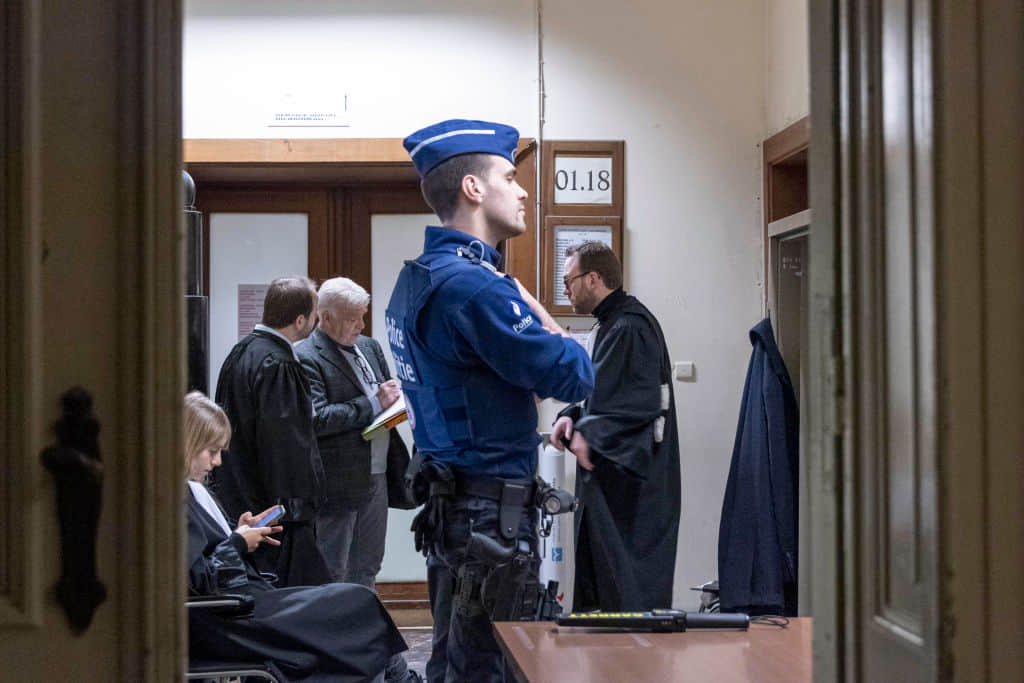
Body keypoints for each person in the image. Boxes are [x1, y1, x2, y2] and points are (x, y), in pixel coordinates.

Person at [386, 118, 594, 683]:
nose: (522, 191)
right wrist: (536, 308)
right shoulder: (477, 286)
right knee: (491, 668)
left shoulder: (418, 278)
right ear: (473, 188)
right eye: (509, 177)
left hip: (454, 507)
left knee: (455, 660)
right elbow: (575, 375)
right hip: (489, 517)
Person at [184, 391, 408, 683]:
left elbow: (211, 550)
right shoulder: (172, 504)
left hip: (242, 606)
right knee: (357, 606)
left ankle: (400, 677)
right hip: (231, 619)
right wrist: (238, 542)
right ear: (188, 444)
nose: (216, 462)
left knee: (358, 604)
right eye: (211, 451)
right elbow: (199, 577)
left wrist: (237, 530)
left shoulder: (192, 492)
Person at [295, 277, 421, 683]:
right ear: (325, 318)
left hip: (377, 474)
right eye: (352, 319)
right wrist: (372, 403)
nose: (361, 326)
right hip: (338, 484)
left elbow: (384, 397)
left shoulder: (369, 347)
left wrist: (397, 401)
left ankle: (371, 664)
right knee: (333, 575)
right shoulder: (306, 356)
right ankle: (335, 664)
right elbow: (317, 419)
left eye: (363, 316)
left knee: (367, 569)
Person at [551, 241, 681, 612]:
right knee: (603, 589)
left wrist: (589, 432)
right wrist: (572, 416)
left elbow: (637, 404)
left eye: (569, 281)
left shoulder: (629, 327)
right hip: (612, 483)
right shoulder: (613, 324)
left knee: (625, 598)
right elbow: (603, 393)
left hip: (632, 491)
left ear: (593, 278)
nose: (566, 290)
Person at [211, 275, 331, 587]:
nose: (316, 321)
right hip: (278, 514)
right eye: (315, 313)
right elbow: (288, 446)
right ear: (300, 319)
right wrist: (299, 508)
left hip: (243, 498)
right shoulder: (278, 363)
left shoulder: (241, 352)